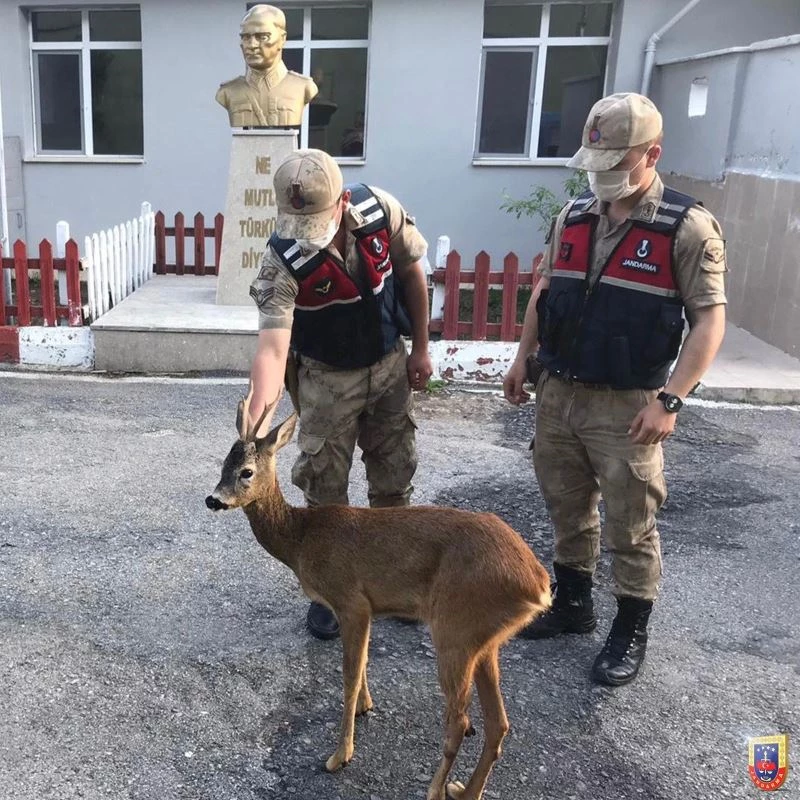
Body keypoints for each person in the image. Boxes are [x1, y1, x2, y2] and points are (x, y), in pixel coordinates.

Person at [503, 93, 727, 686]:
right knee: (567, 505)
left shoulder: (686, 228)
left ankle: (630, 626)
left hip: (628, 405)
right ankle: (573, 604)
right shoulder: (573, 215)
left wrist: (671, 399)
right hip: (559, 393)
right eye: (595, 163)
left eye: (615, 163)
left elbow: (709, 320)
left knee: (632, 521)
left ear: (652, 154)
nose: (601, 177)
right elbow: (544, 290)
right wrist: (522, 358)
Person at [248, 148, 433, 640]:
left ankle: (395, 578)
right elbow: (272, 348)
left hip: (389, 365)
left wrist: (420, 349)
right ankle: (328, 590)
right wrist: (257, 423)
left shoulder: (380, 211)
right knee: (325, 487)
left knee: (394, 477)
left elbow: (412, 274)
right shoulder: (280, 260)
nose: (306, 234)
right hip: (326, 380)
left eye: (316, 221)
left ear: (342, 202)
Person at [215, 4, 317, 128]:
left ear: (282, 39)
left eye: (262, 37)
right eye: (245, 37)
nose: (252, 45)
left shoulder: (303, 87)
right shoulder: (228, 91)